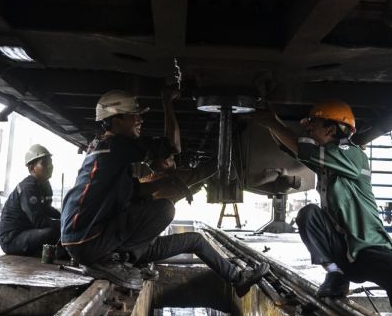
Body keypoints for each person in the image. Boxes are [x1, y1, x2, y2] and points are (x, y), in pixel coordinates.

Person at [60, 87, 270, 293]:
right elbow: (173, 146)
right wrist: (167, 103)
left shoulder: (107, 156)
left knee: (194, 240)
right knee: (164, 208)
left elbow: (137, 192)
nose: (140, 121)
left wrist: (171, 181)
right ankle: (115, 262)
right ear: (116, 120)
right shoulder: (115, 145)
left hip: (99, 242)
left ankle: (237, 278)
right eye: (135, 116)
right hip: (90, 241)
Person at [252, 100, 392, 316]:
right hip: (342, 250)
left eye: (314, 124)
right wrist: (273, 123)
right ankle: (336, 273)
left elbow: (303, 149)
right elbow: (294, 148)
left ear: (331, 129)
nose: (308, 129)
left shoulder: (352, 155)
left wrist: (272, 122)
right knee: (308, 215)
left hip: (367, 248)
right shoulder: (328, 163)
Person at [0, 144, 61, 256]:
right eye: (44, 163)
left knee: (59, 231)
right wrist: (63, 224)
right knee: (53, 232)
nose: (50, 166)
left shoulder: (45, 184)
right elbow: (39, 221)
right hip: (11, 239)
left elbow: (47, 209)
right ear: (32, 168)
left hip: (27, 232)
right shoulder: (28, 187)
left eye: (50, 162)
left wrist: (66, 216)